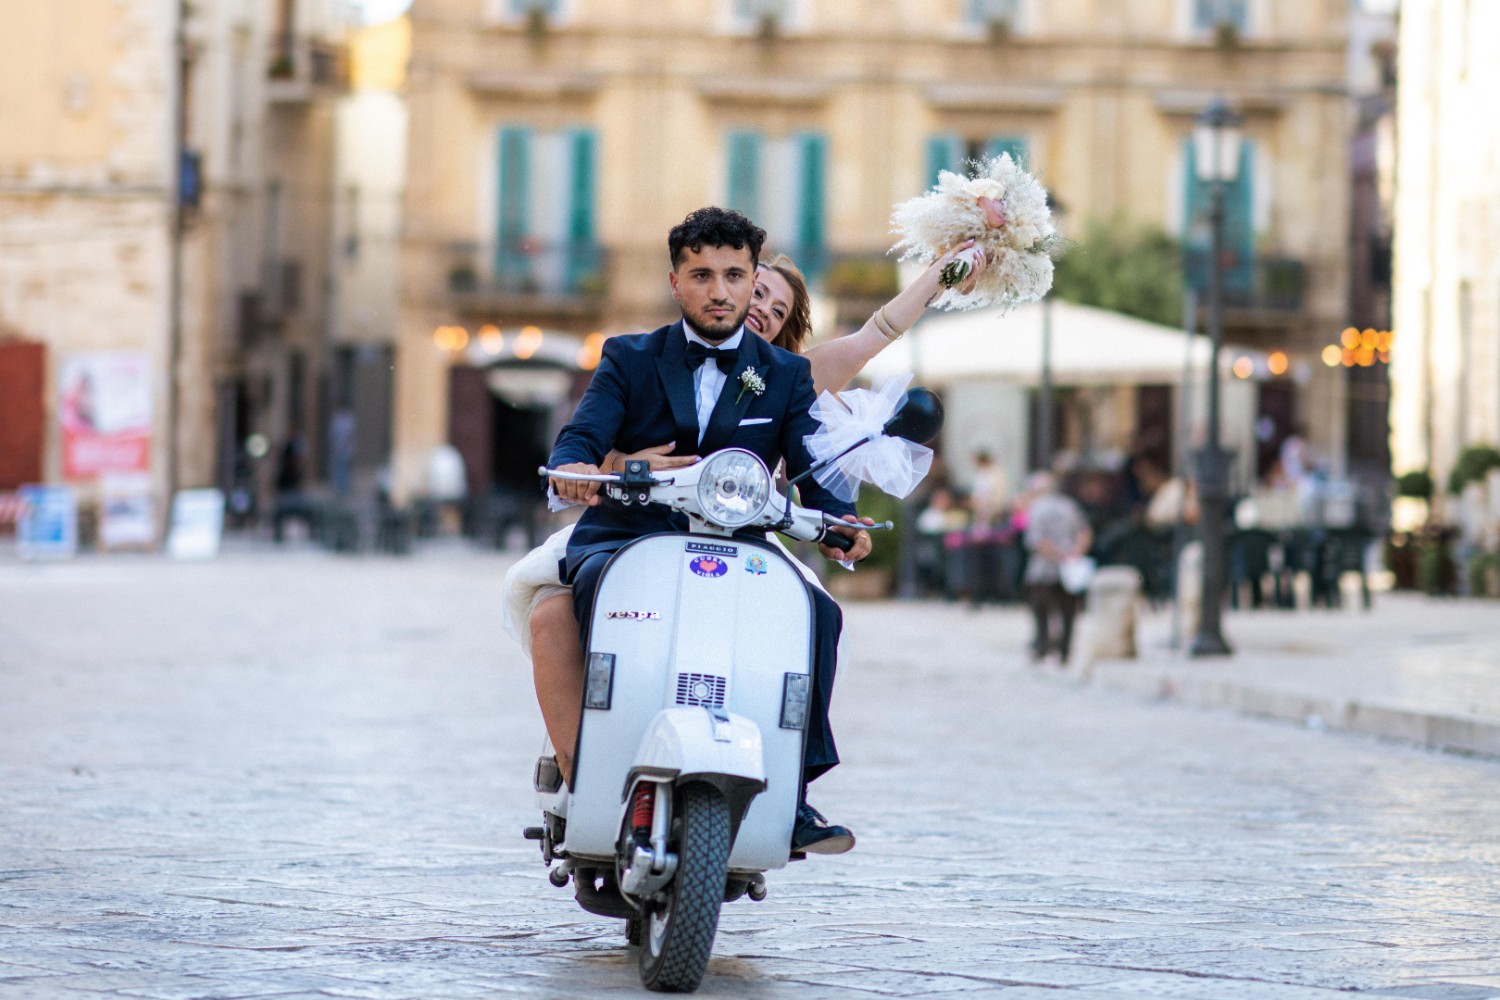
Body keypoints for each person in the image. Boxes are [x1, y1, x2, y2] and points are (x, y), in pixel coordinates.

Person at [521, 212, 988, 855]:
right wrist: (579, 466)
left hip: (735, 543)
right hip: (630, 535)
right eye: (703, 276)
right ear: (675, 282)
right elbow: (583, 433)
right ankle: (593, 764)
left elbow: (809, 458)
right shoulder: (630, 356)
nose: (722, 292)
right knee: (593, 593)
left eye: (735, 277)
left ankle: (793, 793)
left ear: (748, 280)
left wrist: (838, 521)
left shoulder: (787, 373)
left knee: (818, 612)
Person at [1021, 471, 1093, 665]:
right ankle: (1065, 649)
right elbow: (1085, 532)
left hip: (1043, 570)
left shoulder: (1036, 509)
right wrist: (1075, 553)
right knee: (1068, 611)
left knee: (1041, 609)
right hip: (1070, 569)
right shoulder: (1069, 506)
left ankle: (1042, 645)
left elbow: (1036, 540)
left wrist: (1058, 555)